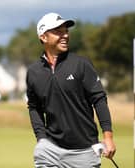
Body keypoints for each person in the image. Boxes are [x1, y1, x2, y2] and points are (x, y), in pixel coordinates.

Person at [26, 12, 116, 168]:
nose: (65, 35)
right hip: (50, 150)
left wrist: (107, 136)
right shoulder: (33, 72)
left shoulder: (81, 64)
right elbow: (34, 107)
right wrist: (41, 138)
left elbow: (99, 99)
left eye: (66, 31)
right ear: (43, 37)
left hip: (84, 151)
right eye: (58, 32)